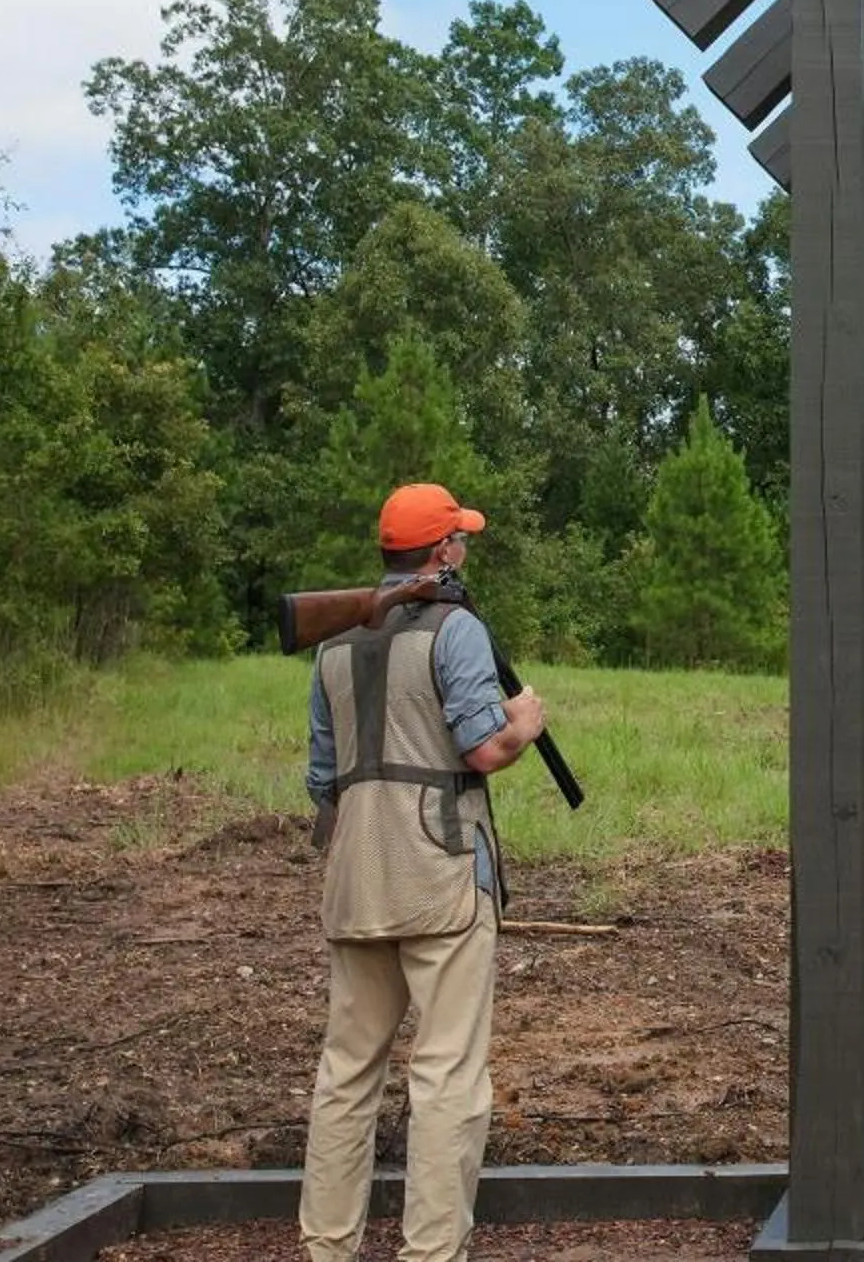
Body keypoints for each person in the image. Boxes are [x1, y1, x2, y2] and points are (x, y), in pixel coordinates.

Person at [300, 483, 549, 1262]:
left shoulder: (332, 642)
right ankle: (432, 1253)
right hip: (441, 874)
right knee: (445, 1078)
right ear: (441, 552)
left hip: (355, 877)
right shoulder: (457, 630)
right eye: (460, 540)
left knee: (346, 1076)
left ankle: (326, 1249)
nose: (465, 550)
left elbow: (321, 779)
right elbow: (482, 750)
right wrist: (525, 726)